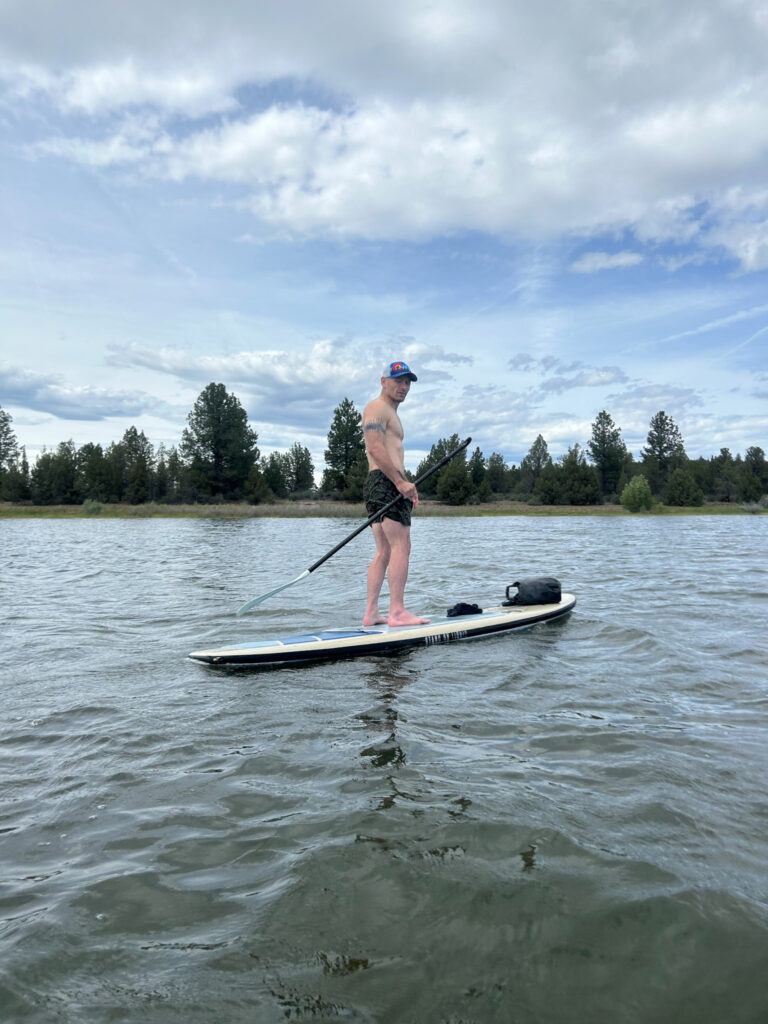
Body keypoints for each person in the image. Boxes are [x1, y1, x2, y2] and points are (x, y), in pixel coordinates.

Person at [361, 361, 430, 628]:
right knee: (402, 546)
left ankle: (371, 613)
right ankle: (397, 612)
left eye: (407, 382)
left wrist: (404, 483)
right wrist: (400, 482)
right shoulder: (377, 407)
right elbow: (376, 448)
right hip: (385, 481)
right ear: (383, 381)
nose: (403, 387)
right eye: (398, 381)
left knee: (384, 551)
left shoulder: (389, 411)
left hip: (381, 481)